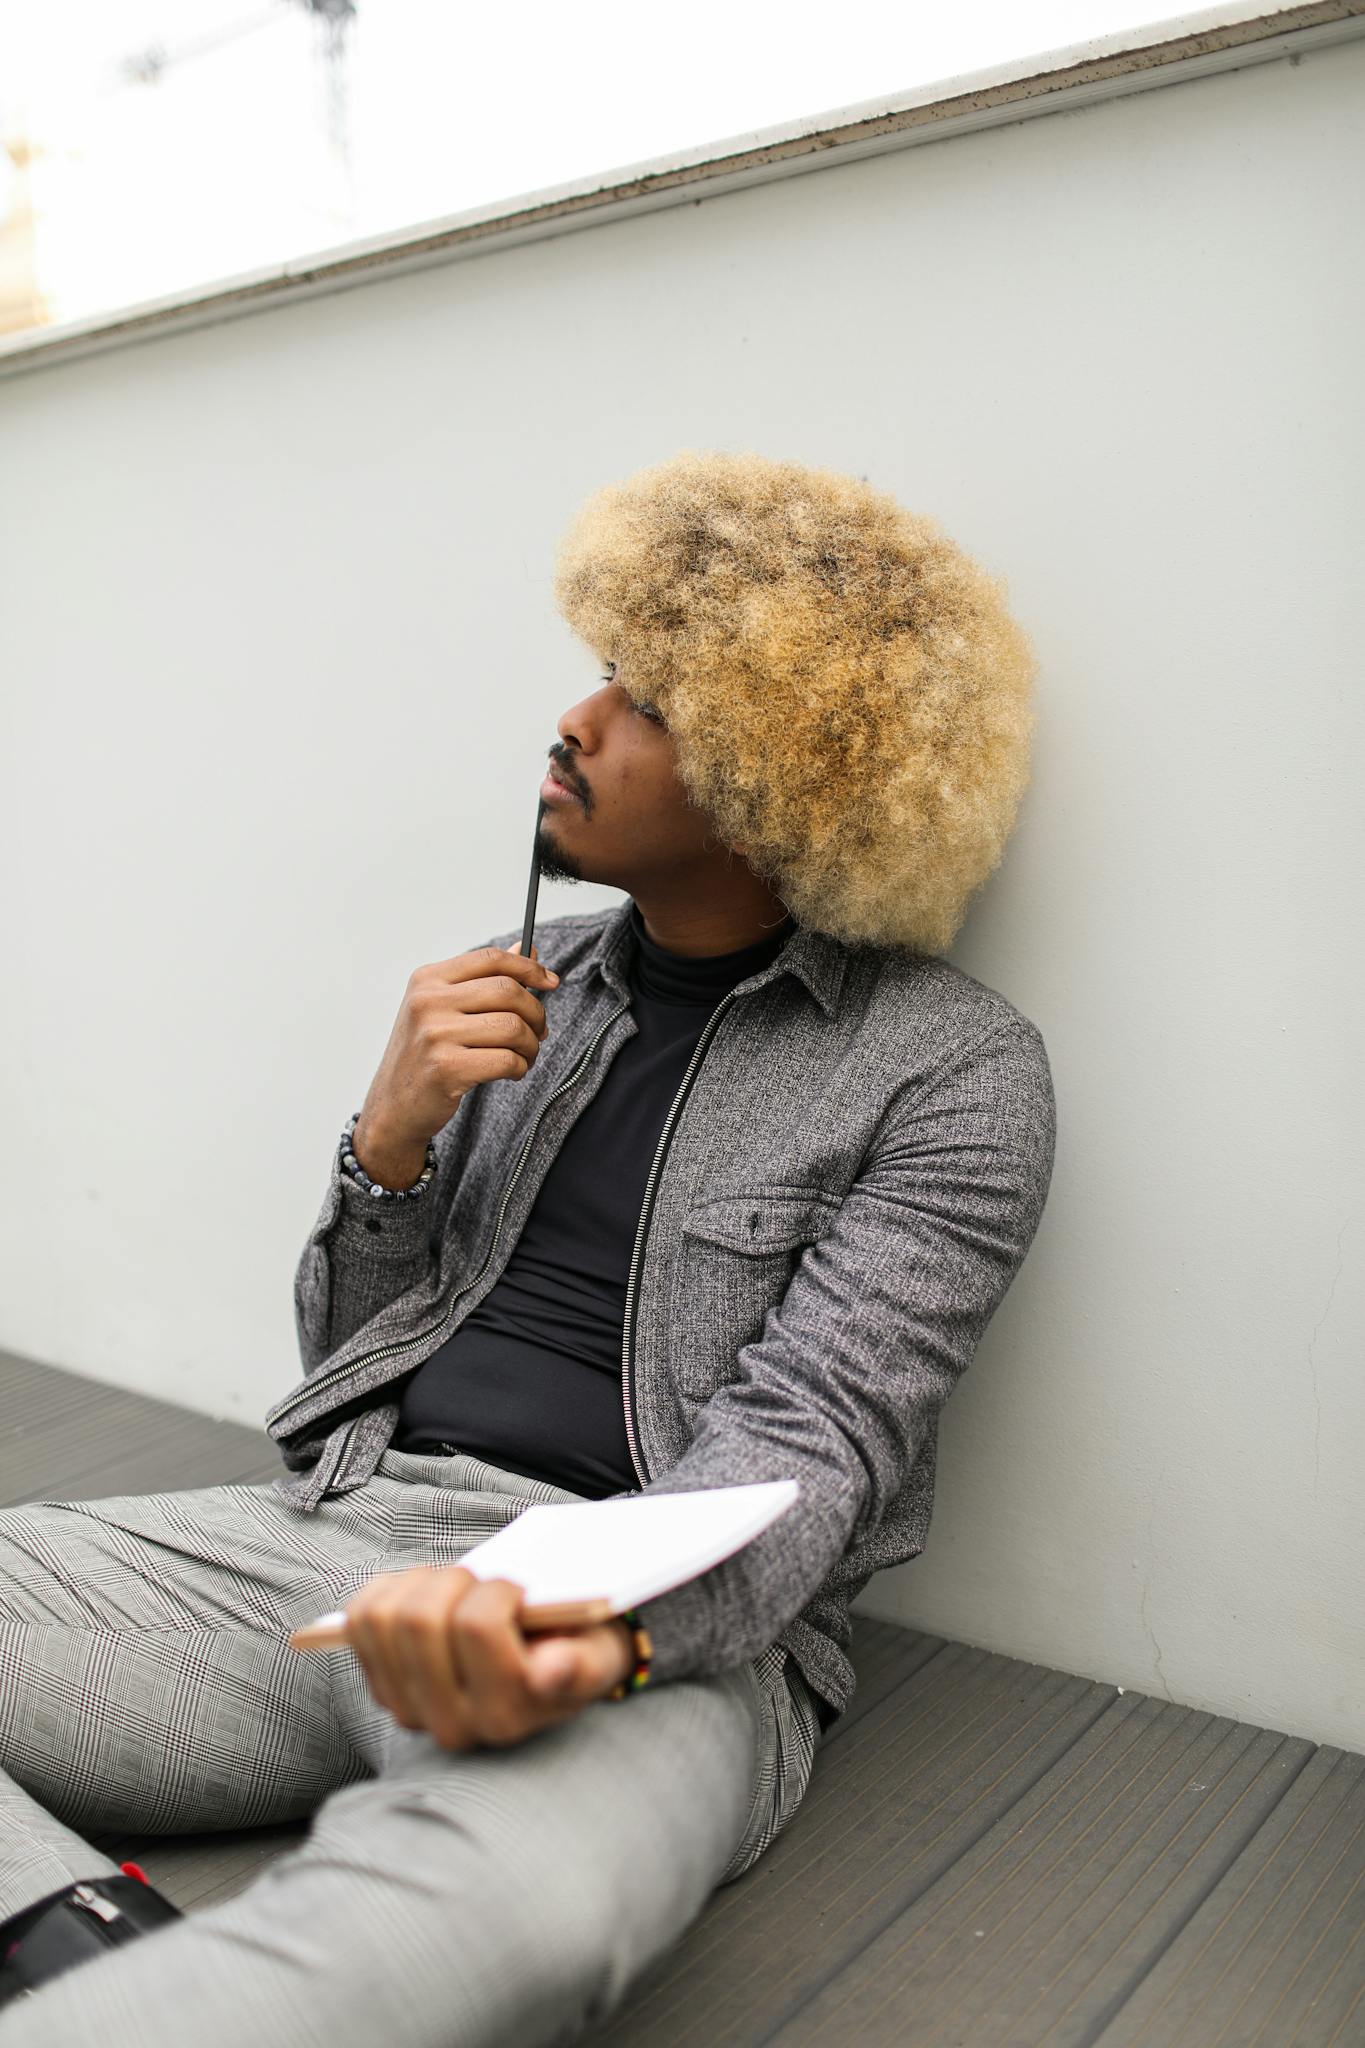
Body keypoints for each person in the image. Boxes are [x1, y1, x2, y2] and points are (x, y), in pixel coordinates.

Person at [0, 449, 1056, 2045]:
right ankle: (77, 1946)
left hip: (655, 1630)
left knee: (526, 1914)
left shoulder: (948, 1072)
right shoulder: (525, 977)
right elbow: (347, 1376)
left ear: (781, 774)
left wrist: (583, 1627)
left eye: (646, 702)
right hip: (334, 1549)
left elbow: (816, 1448)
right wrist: (388, 1141)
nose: (574, 720)